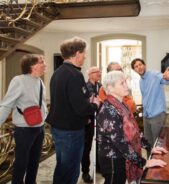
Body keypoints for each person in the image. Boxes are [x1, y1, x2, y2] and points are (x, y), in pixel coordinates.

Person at [96, 71, 167, 184]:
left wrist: (149, 147)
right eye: (122, 83)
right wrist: (144, 163)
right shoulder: (109, 110)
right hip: (113, 159)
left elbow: (134, 132)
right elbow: (120, 143)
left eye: (126, 82)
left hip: (122, 157)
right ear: (110, 87)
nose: (126, 86)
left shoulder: (121, 104)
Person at [46, 36, 99, 184]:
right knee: (71, 171)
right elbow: (81, 108)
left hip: (59, 128)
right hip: (70, 130)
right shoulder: (75, 75)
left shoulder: (57, 72)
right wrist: (95, 104)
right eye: (84, 53)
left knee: (62, 167)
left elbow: (67, 102)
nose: (85, 56)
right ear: (77, 54)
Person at [0, 54, 47, 184]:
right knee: (21, 163)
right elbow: (7, 103)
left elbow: (42, 104)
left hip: (39, 127)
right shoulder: (18, 80)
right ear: (32, 66)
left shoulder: (40, 81)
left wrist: (45, 117)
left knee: (34, 162)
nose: (45, 64)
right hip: (24, 130)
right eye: (41, 62)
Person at [131, 58, 169, 146]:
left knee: (157, 143)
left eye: (140, 64)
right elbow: (145, 98)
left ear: (144, 65)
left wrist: (168, 77)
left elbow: (166, 80)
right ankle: (150, 160)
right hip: (146, 116)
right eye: (136, 66)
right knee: (148, 142)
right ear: (134, 70)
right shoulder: (140, 81)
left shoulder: (154, 74)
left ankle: (158, 159)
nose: (139, 67)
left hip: (157, 114)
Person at [81, 66, 102, 183]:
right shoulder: (84, 87)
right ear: (89, 74)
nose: (99, 73)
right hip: (88, 121)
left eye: (99, 71)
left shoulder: (101, 86)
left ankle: (99, 167)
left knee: (100, 145)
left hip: (100, 120)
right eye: (96, 72)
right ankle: (85, 171)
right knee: (86, 148)